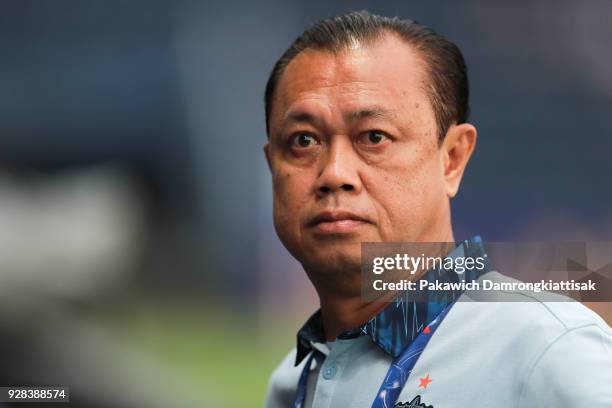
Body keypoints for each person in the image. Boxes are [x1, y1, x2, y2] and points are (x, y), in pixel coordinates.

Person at [262, 11, 612, 408]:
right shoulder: (292, 382)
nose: (335, 173)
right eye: (303, 140)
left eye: (374, 137)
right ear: (272, 164)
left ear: (452, 159)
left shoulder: (547, 350)